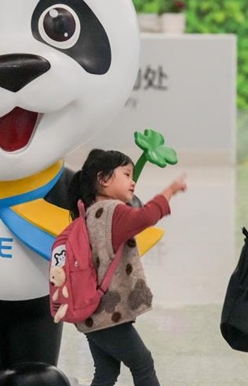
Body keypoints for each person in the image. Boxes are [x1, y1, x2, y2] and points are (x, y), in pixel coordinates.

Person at [67, 149, 187, 386]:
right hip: (108, 315)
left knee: (105, 374)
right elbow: (145, 217)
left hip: (91, 313)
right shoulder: (112, 211)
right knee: (143, 364)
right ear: (103, 179)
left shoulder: (89, 214)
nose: (132, 182)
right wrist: (170, 191)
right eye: (126, 174)